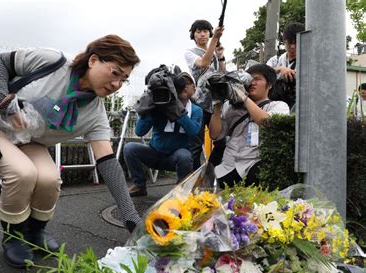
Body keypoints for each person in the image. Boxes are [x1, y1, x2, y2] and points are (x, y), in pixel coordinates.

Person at [0, 35, 141, 268]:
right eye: (115, 73)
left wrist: (130, 216)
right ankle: (14, 236)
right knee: (23, 173)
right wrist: (3, 103)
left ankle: (36, 231)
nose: (117, 84)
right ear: (93, 60)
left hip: (28, 140)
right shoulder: (52, 63)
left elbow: (107, 161)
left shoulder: (95, 113)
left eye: (124, 80)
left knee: (50, 178)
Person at [209, 64, 290, 188]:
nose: (252, 83)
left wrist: (243, 97)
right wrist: (217, 105)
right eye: (249, 79)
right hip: (228, 166)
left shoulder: (278, 105)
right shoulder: (230, 107)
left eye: (257, 79)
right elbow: (214, 135)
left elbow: (266, 122)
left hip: (254, 166)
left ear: (270, 85)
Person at [124, 72, 203, 197]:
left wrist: (177, 110)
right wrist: (149, 108)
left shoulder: (196, 110)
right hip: (154, 153)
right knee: (130, 148)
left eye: (188, 83)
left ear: (193, 88)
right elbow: (139, 132)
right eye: (182, 84)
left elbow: (193, 131)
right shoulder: (160, 106)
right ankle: (139, 186)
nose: (184, 87)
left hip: (176, 158)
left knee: (185, 155)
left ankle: (180, 191)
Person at [184, 19, 227, 171]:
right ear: (193, 35)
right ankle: (192, 181)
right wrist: (214, 39)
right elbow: (203, 63)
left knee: (221, 141)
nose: (202, 34)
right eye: (198, 31)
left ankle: (209, 172)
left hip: (215, 103)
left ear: (209, 33)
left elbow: (222, 73)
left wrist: (220, 56)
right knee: (195, 144)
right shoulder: (190, 53)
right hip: (198, 103)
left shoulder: (213, 52)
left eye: (205, 31)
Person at [266, 22, 305, 110]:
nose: (292, 46)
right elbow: (263, 73)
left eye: (296, 43)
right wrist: (279, 69)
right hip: (274, 104)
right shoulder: (276, 60)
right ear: (284, 42)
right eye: (289, 43)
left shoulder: (307, 61)